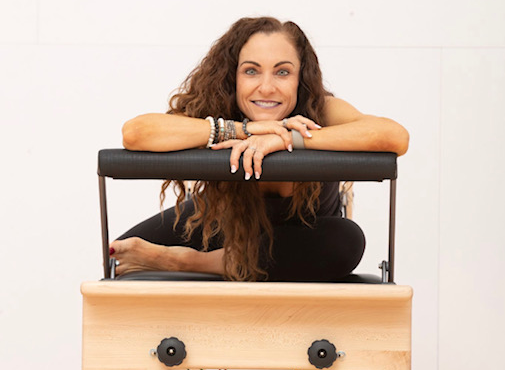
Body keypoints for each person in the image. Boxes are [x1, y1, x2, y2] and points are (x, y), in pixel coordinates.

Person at [110, 17, 409, 282]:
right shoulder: (220, 110)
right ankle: (219, 259)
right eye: (251, 71)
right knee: (117, 255)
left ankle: (189, 262)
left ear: (300, 79)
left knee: (347, 241)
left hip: (305, 241)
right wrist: (243, 129)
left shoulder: (320, 110)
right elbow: (136, 133)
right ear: (233, 77)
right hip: (229, 227)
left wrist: (290, 138)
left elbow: (394, 136)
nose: (266, 87)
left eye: (282, 73)